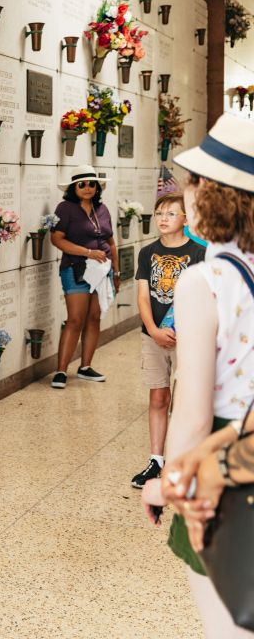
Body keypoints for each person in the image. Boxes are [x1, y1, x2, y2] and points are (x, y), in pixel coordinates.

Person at [141, 113, 254, 636]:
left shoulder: (203, 281)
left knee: (227, 621)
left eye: (194, 180)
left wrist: (165, 482)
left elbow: (191, 407)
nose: (186, 191)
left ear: (213, 193)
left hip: (221, 463)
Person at [130, 192, 206, 488]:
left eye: (171, 213)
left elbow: (204, 298)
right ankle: (156, 460)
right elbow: (142, 295)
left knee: (187, 401)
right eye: (159, 212)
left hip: (188, 337)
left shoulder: (200, 253)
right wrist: (153, 330)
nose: (163, 218)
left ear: (186, 219)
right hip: (153, 335)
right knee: (159, 396)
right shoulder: (147, 252)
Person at [49, 165, 120, 389]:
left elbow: (111, 242)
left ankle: (86, 367)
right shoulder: (65, 208)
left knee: (94, 318)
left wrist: (116, 272)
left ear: (97, 187)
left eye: (92, 184)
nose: (87, 188)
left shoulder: (103, 209)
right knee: (75, 319)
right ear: (74, 187)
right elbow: (57, 239)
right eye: (82, 184)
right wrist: (88, 252)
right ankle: (61, 371)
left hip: (103, 271)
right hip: (76, 268)